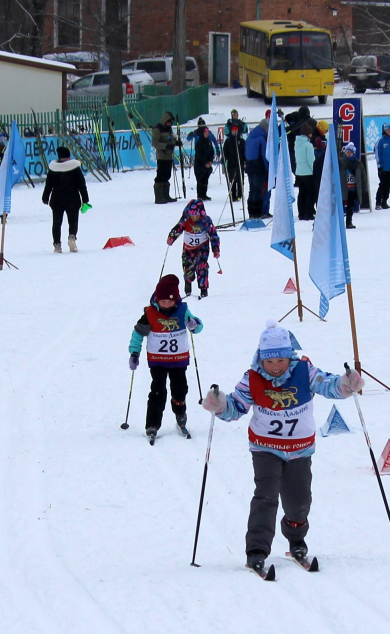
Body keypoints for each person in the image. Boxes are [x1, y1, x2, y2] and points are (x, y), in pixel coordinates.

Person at [200, 321, 363, 574]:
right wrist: (219, 405)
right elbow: (236, 407)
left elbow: (328, 385)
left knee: (299, 500)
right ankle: (256, 550)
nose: (275, 366)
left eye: (280, 361)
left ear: (290, 357)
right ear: (261, 359)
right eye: (269, 361)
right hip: (265, 447)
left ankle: (296, 541)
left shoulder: (305, 371)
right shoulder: (252, 378)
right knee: (265, 496)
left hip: (300, 448)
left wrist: (346, 384)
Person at [129, 274, 203, 443]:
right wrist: (134, 353)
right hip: (158, 361)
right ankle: (152, 424)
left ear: (175, 299)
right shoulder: (150, 313)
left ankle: (180, 415)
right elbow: (138, 333)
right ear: (157, 299)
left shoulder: (183, 310)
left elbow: (197, 326)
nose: (166, 304)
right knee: (158, 391)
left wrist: (194, 325)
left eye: (170, 301)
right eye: (163, 301)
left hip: (178, 360)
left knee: (180, 389)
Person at [167, 199, 220, 298]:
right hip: (188, 248)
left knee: (201, 267)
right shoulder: (185, 219)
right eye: (192, 215)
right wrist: (172, 237)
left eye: (196, 215)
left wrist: (215, 249)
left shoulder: (206, 221)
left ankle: (203, 290)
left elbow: (213, 235)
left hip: (202, 247)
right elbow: (178, 228)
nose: (194, 217)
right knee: (188, 267)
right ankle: (188, 288)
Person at [42, 146, 89, 253]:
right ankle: (72, 238)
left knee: (57, 223)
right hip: (73, 198)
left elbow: (48, 185)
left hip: (57, 199)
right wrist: (85, 199)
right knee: (73, 221)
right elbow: (81, 184)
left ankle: (57, 245)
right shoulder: (75, 168)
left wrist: (45, 197)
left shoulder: (53, 168)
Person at [152, 111, 181, 204]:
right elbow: (155, 143)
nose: (170, 124)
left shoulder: (169, 129)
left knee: (167, 175)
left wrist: (176, 142)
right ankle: (159, 197)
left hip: (169, 156)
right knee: (161, 175)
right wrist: (166, 146)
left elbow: (171, 139)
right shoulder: (157, 129)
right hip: (162, 156)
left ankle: (165, 195)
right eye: (169, 122)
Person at [245, 118, 270, 218]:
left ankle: (251, 211)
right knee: (258, 190)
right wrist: (268, 168)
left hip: (249, 166)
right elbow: (264, 155)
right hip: (259, 167)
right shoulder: (262, 138)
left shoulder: (250, 137)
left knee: (252, 189)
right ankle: (257, 212)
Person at [339, 142, 368, 229]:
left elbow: (363, 176)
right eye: (347, 152)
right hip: (343, 189)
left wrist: (364, 188)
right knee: (340, 206)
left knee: (350, 206)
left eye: (350, 152)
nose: (349, 154)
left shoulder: (358, 164)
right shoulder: (341, 162)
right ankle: (339, 223)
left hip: (353, 189)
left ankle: (349, 222)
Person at [294, 123, 317, 220]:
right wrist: (315, 171)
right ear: (308, 134)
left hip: (299, 172)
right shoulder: (308, 145)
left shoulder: (297, 144)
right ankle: (309, 213)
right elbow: (311, 160)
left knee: (302, 193)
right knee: (311, 193)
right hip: (308, 172)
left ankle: (301, 213)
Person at [373, 124, 390, 210]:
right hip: (383, 167)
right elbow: (377, 153)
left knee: (389, 185)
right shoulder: (380, 141)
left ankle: (384, 201)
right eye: (388, 130)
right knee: (383, 184)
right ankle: (378, 202)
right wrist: (379, 165)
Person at [222, 124, 246, 202]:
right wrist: (224, 160)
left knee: (240, 180)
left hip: (240, 163)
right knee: (232, 180)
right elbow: (225, 152)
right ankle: (233, 195)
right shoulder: (228, 141)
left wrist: (246, 161)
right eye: (233, 131)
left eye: (236, 131)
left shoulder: (242, 141)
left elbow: (245, 152)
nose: (234, 132)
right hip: (231, 164)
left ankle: (239, 195)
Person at [193, 126, 216, 201]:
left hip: (208, 165)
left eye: (207, 132)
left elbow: (212, 151)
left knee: (205, 180)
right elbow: (199, 155)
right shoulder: (199, 143)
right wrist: (205, 163)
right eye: (205, 132)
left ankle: (204, 194)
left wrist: (210, 161)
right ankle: (200, 195)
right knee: (200, 180)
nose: (207, 133)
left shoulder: (209, 141)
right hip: (200, 165)